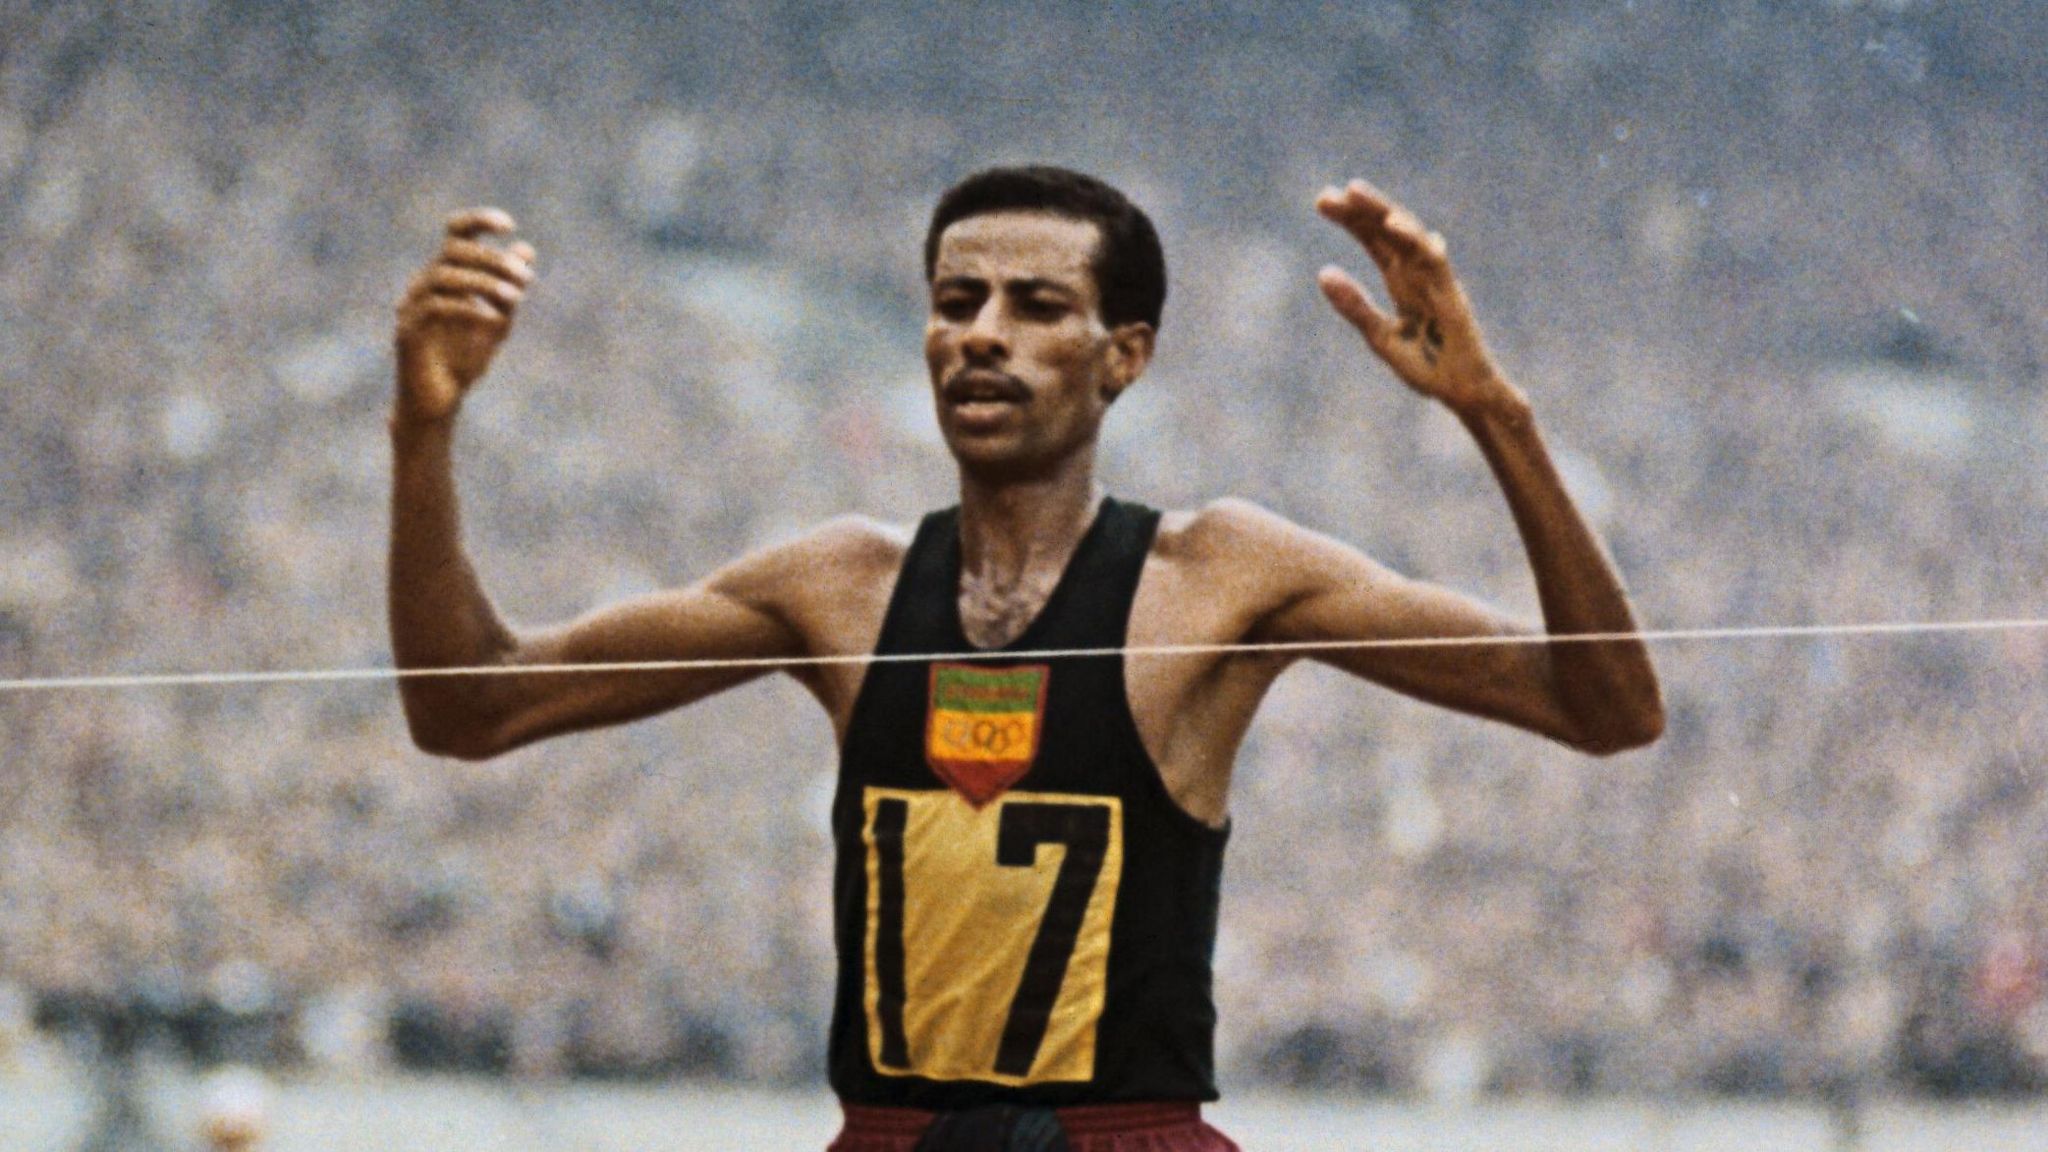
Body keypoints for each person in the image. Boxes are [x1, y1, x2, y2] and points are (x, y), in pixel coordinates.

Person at [387, 165, 1664, 1151]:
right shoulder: (841, 587)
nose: (980, 334)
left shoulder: (1217, 574)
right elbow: (474, 709)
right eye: (955, 303)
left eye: (1036, 305)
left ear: (1125, 355)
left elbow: (1601, 705)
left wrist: (1493, 414)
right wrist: (424, 426)